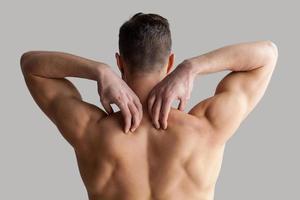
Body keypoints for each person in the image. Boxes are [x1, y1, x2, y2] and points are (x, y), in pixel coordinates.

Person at [20, 12, 278, 200]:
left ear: (120, 62)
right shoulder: (206, 127)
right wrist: (192, 67)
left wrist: (99, 71)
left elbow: (31, 65)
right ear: (170, 61)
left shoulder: (90, 130)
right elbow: (267, 54)